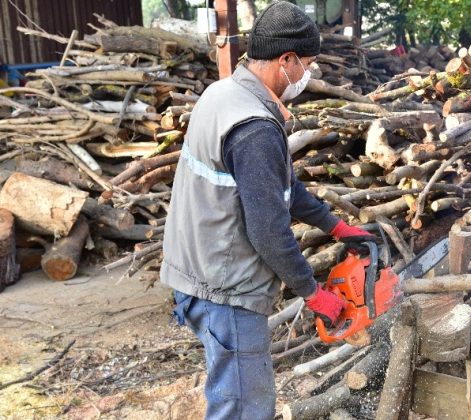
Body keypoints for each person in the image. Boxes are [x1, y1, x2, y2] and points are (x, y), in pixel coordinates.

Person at [160, 2, 373, 418]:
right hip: (225, 290)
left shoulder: (223, 94)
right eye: (307, 64)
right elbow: (268, 231)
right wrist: (313, 293)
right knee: (245, 408)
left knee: (234, 399)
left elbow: (281, 188)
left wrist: (335, 227)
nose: (308, 73)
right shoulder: (254, 127)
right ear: (286, 60)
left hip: (198, 272)